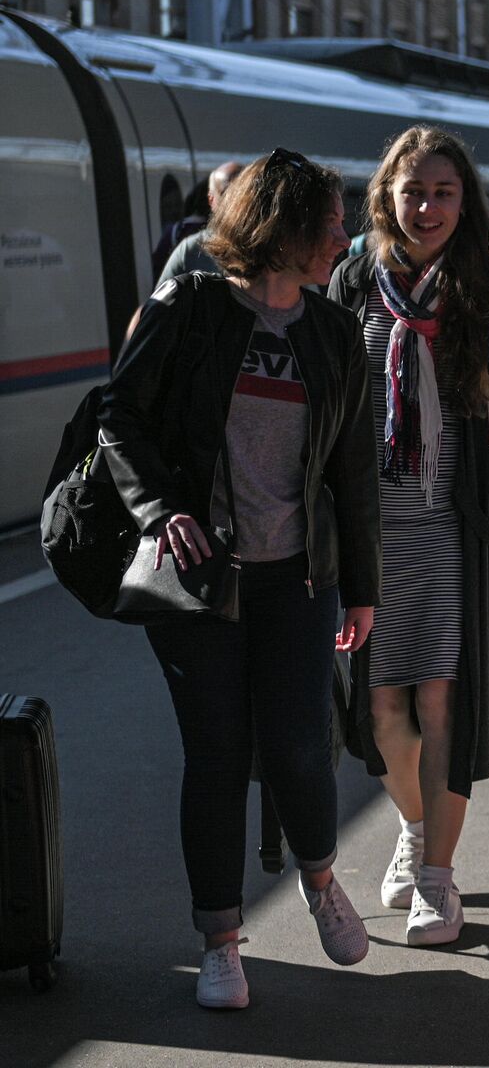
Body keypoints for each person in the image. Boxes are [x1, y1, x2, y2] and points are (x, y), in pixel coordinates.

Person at [98, 148, 379, 1010]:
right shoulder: (192, 309)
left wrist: (360, 586)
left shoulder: (332, 332)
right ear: (284, 227)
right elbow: (118, 416)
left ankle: (322, 880)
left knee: (300, 744)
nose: (344, 236)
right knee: (216, 756)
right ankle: (221, 940)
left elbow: (352, 470)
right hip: (200, 578)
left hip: (299, 578)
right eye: (329, 222)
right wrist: (159, 512)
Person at [325, 126, 489, 948]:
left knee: (441, 700)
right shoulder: (353, 280)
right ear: (387, 196)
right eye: (413, 192)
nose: (427, 207)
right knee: (376, 710)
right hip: (366, 532)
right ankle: (412, 827)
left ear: (465, 201)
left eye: (443, 192)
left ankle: (438, 876)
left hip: (446, 527)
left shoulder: (481, 282)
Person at [156, 160, 245, 283]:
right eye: (226, 194)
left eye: (244, 193)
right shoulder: (190, 251)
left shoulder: (270, 249)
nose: (236, 201)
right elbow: (162, 298)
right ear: (211, 200)